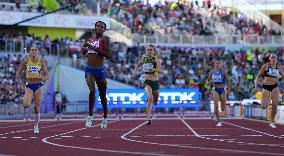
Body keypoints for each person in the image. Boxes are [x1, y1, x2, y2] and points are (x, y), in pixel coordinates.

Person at [81, 21, 111, 129]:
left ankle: (105, 117)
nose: (99, 28)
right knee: (92, 91)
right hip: (89, 69)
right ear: (95, 28)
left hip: (100, 70)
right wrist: (84, 51)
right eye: (98, 26)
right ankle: (90, 116)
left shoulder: (105, 39)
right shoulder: (91, 40)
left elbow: (107, 55)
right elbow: (88, 53)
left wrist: (91, 47)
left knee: (103, 96)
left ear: (104, 29)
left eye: (102, 27)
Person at [16, 45, 49, 134]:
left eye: (35, 50)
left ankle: (36, 126)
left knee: (37, 108)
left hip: (39, 86)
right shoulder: (26, 61)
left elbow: (47, 74)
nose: (34, 51)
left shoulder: (41, 61)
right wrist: (19, 83)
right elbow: (19, 72)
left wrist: (44, 78)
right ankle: (30, 101)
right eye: (32, 50)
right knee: (26, 104)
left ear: (37, 52)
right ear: (30, 52)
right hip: (29, 85)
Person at [133, 45, 162, 125]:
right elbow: (138, 65)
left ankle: (155, 100)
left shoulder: (156, 59)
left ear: (154, 51)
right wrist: (134, 72)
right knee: (150, 98)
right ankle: (148, 119)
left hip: (155, 82)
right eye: (148, 50)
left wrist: (154, 69)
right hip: (147, 82)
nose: (149, 51)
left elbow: (160, 70)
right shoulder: (144, 58)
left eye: (150, 50)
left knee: (155, 99)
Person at [253, 53, 284, 128]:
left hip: (275, 86)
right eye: (272, 57)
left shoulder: (279, 67)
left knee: (275, 105)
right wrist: (256, 86)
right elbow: (258, 76)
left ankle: (271, 121)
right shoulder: (265, 66)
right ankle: (267, 99)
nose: (274, 58)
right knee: (264, 106)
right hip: (266, 86)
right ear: (269, 58)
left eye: (275, 57)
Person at [206, 59, 230, 127]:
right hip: (215, 90)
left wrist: (228, 90)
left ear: (221, 65)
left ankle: (219, 114)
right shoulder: (211, 72)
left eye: (219, 63)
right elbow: (208, 79)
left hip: (222, 90)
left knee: (223, 108)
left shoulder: (224, 72)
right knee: (215, 105)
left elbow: (228, 81)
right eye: (216, 63)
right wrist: (207, 83)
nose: (217, 64)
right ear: (214, 64)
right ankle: (219, 121)